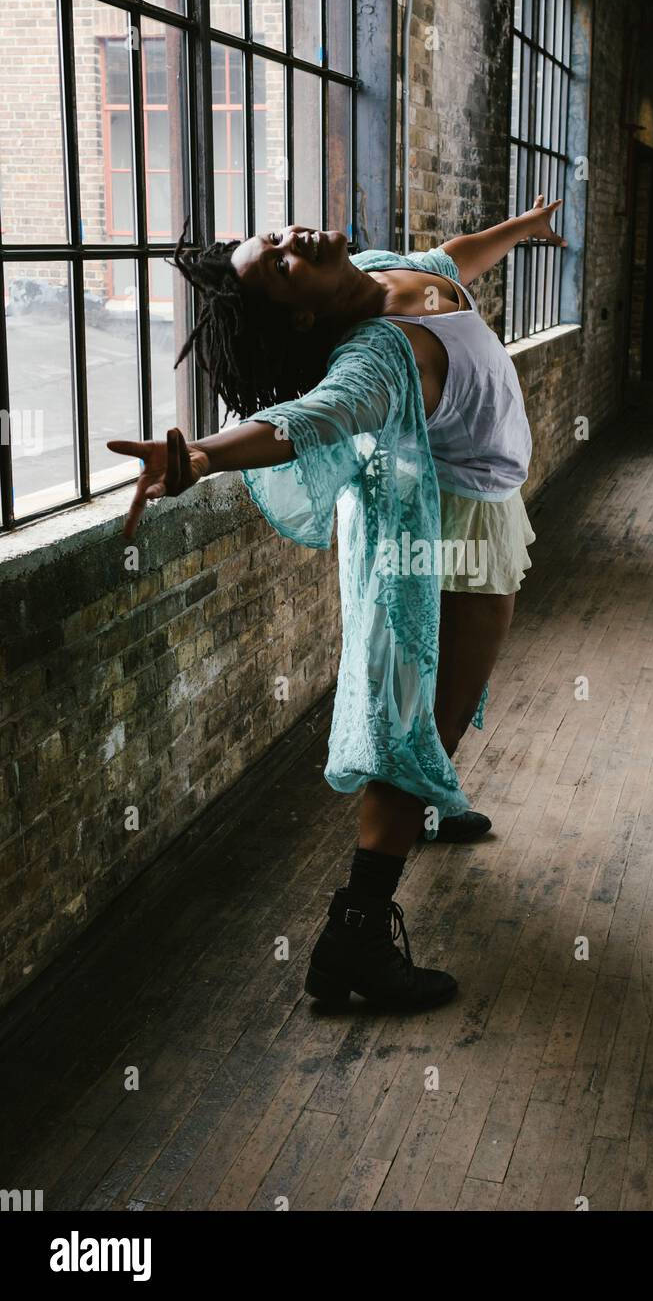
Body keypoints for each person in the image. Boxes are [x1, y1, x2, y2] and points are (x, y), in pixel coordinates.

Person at [108, 197, 565, 1012]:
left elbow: (452, 259)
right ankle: (352, 943)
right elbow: (306, 420)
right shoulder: (376, 358)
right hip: (444, 534)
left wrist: (523, 228)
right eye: (279, 266)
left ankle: (424, 802)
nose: (292, 241)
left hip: (474, 510)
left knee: (430, 709)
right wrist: (204, 457)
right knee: (425, 716)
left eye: (276, 237)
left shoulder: (389, 271)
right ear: (304, 311)